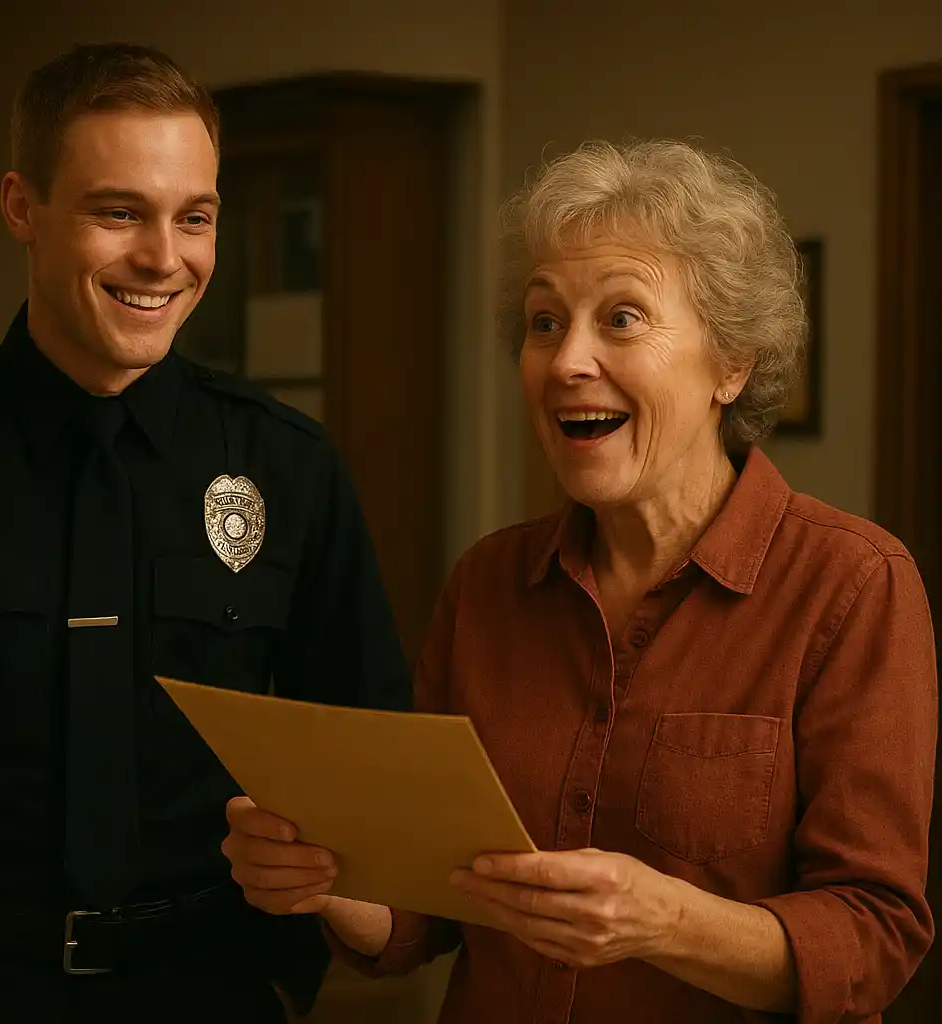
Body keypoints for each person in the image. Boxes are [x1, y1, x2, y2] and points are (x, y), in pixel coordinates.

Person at [0, 41, 411, 1024]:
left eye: (194, 218)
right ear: (23, 208)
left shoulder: (290, 467)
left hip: (210, 987)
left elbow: (365, 746)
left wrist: (287, 965)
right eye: (119, 211)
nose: (164, 256)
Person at [222, 138, 938, 1023]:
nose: (566, 363)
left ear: (733, 364)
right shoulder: (488, 582)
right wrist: (325, 878)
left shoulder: (852, 584)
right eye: (545, 321)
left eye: (623, 318)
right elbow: (425, 917)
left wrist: (665, 921)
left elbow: (874, 938)